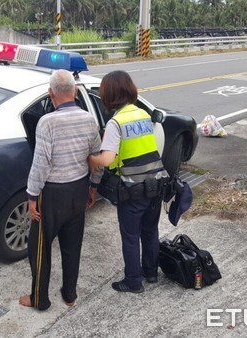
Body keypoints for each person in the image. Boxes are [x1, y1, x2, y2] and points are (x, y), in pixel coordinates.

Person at [19, 69, 103, 310]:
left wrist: (32, 196)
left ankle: (39, 299)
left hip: (52, 194)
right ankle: (69, 295)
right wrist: (94, 187)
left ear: (50, 93)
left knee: (39, 248)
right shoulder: (89, 119)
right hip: (78, 190)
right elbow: (96, 158)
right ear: (75, 92)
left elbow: (41, 164)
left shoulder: (47, 122)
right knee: (72, 245)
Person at [88, 70, 168, 293]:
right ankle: (151, 273)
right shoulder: (142, 114)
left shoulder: (116, 123)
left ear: (109, 94)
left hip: (133, 189)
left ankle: (133, 282)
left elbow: (106, 160)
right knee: (150, 231)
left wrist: (89, 159)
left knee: (130, 237)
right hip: (157, 183)